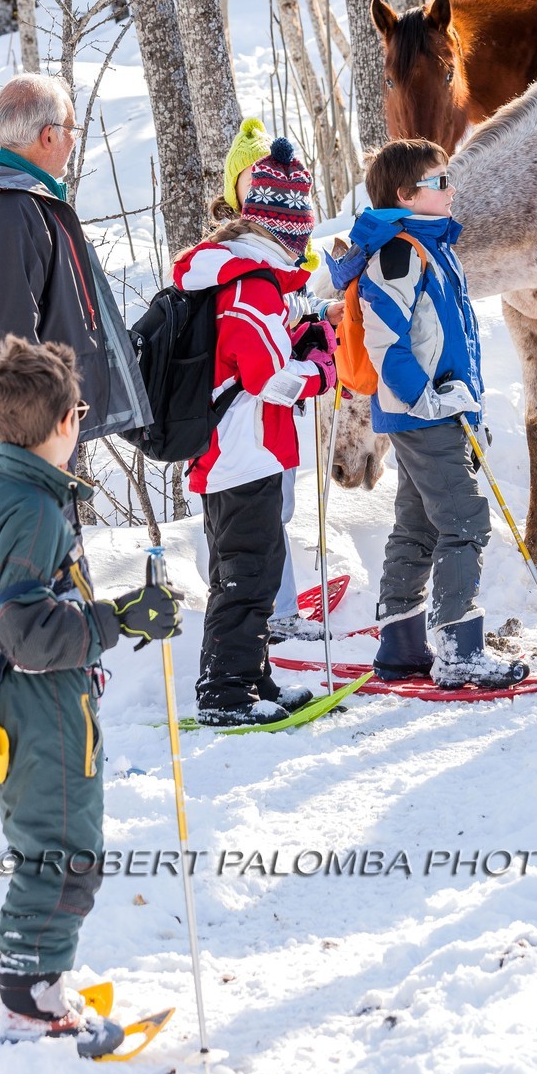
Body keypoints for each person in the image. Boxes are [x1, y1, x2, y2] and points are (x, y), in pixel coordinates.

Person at [0, 335, 180, 1055]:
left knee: (47, 850)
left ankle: (29, 987)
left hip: (22, 702)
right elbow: (22, 631)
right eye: (78, 409)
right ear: (64, 424)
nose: (80, 420)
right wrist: (117, 619)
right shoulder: (31, 509)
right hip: (41, 708)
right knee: (64, 854)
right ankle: (31, 1004)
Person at [329, 138, 529, 688]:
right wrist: (428, 399)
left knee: (417, 528)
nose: (451, 189)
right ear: (405, 194)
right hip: (425, 414)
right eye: (439, 182)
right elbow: (384, 341)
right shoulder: (399, 252)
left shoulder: (426, 246)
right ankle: (459, 649)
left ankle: (400, 645)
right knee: (465, 521)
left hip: (430, 412)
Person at [173, 137, 338, 726]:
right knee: (246, 574)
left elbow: (255, 338)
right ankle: (224, 693)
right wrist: (317, 373)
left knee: (251, 569)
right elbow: (264, 371)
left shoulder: (242, 277)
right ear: (283, 231)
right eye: (299, 234)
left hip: (238, 451)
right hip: (244, 453)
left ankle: (251, 677)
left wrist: (303, 321)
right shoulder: (251, 283)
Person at [0, 74, 150, 476]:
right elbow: (11, 338)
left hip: (33, 431)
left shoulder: (18, 204)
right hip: (24, 441)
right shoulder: (7, 211)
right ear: (48, 136)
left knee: (56, 540)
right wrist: (33, 447)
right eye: (71, 129)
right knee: (43, 539)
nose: (74, 140)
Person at [216, 117, 344, 637]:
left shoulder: (275, 257)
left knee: (277, 511)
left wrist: (317, 317)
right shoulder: (243, 264)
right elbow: (258, 359)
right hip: (249, 417)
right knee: (265, 515)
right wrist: (315, 371)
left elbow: (288, 306)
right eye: (252, 176)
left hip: (272, 415)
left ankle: (277, 603)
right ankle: (276, 614)